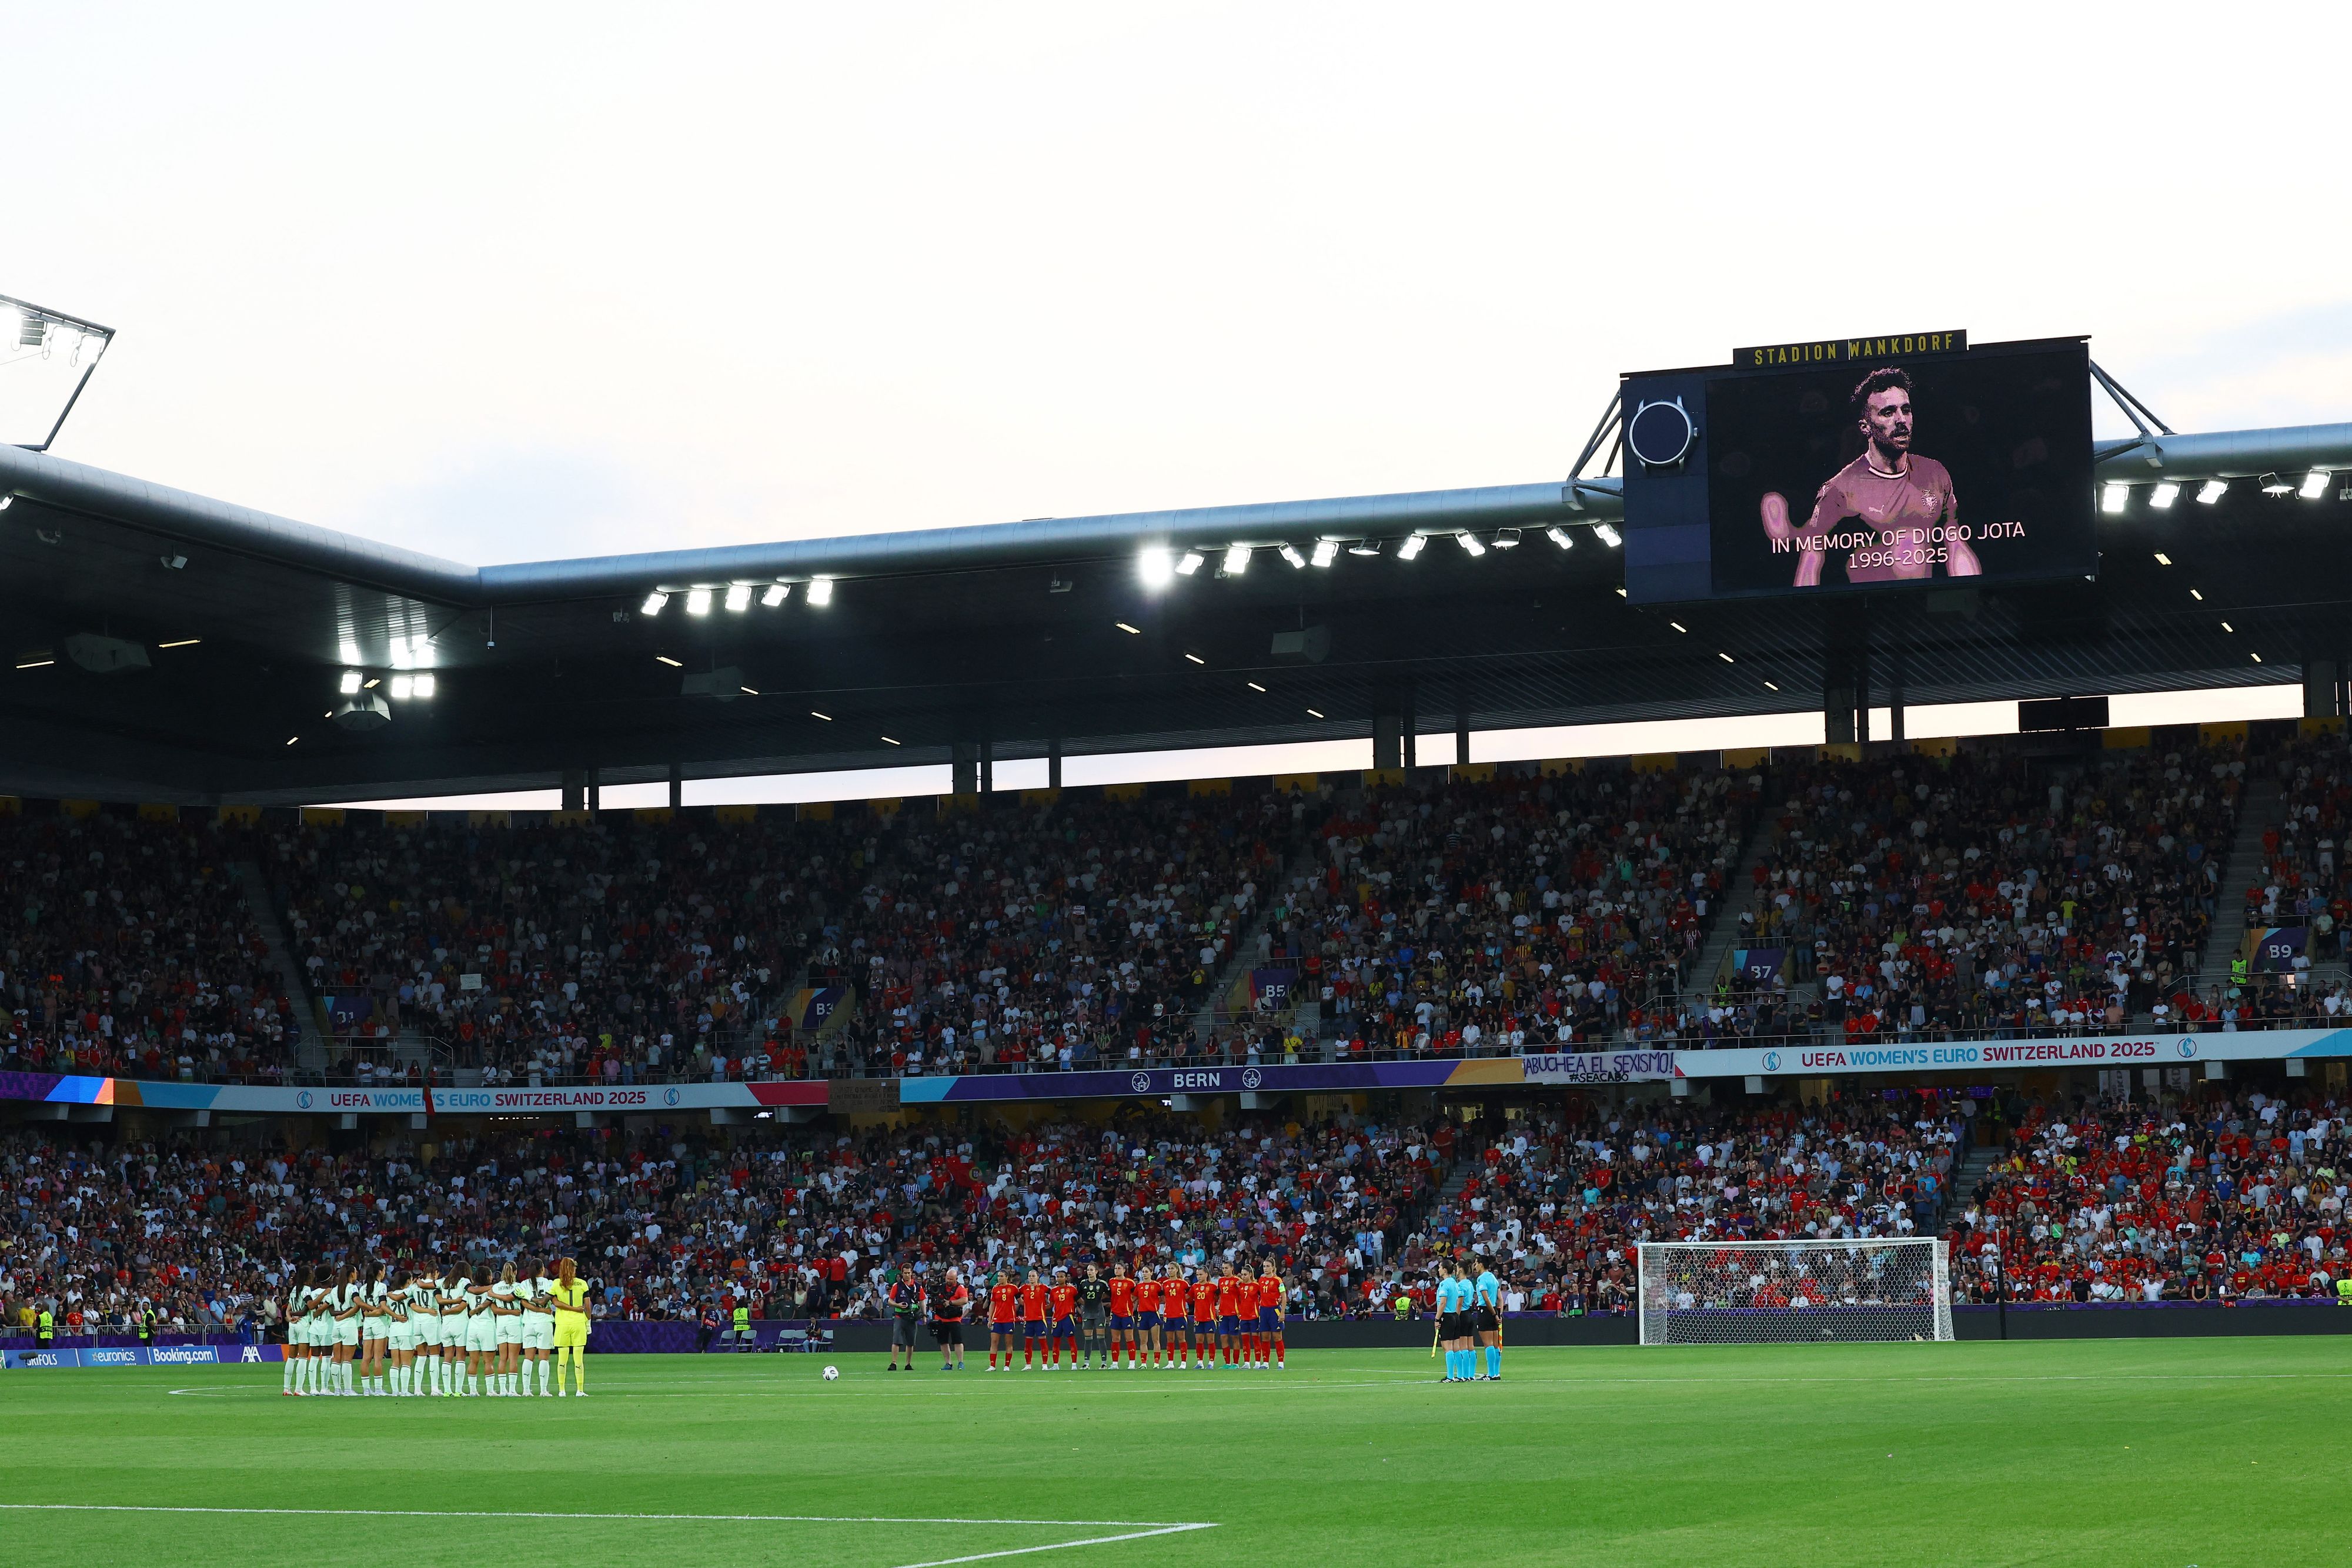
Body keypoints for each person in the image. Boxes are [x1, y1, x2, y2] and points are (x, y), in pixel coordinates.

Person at [1760, 366, 1984, 587]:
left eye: (1905, 410)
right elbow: (1811, 560)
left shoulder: (1935, 473)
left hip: (1924, 609)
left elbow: (1955, 543)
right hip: (1868, 612)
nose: (1901, 420)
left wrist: (1974, 598)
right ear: (1866, 428)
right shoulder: (1839, 490)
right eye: (1888, 412)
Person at [550, 1256, 593, 1397]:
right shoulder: (582, 1284)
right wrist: (588, 1322)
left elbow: (552, 1301)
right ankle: (579, 1390)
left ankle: (562, 1390)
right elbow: (588, 1307)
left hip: (562, 1324)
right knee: (578, 1359)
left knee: (562, 1359)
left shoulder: (556, 1284)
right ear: (572, 1268)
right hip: (578, 1324)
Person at [521, 1260, 556, 1395]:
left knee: (528, 1358)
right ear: (543, 1269)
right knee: (544, 1358)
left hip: (529, 1323)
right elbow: (552, 1301)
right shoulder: (549, 1283)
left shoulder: (524, 1284)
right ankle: (543, 1390)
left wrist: (536, 1310)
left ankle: (526, 1390)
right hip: (544, 1323)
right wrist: (543, 1311)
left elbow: (524, 1303)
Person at [409, 1265, 443, 1399]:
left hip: (417, 1323)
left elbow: (407, 1298)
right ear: (436, 1272)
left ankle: (417, 1389)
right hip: (431, 1321)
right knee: (434, 1357)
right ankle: (434, 1389)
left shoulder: (414, 1287)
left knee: (421, 1357)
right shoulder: (436, 1286)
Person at [493, 1263, 524, 1395]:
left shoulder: (495, 1287)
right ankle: (512, 1390)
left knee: (502, 1358)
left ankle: (502, 1390)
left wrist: (504, 1312)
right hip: (514, 1323)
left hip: (500, 1323)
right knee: (513, 1358)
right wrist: (512, 1312)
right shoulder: (518, 1286)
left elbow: (493, 1308)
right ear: (515, 1272)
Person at [359, 1263, 390, 1396]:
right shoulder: (382, 1287)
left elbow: (364, 1310)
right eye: (384, 1270)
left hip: (367, 1325)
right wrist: (375, 1312)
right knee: (378, 1358)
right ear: (379, 1272)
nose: (384, 1273)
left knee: (366, 1357)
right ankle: (378, 1390)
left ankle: (366, 1390)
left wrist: (369, 1314)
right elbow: (382, 1310)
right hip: (379, 1325)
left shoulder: (363, 1288)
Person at [931, 1268, 970, 1371]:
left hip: (954, 1318)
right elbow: (933, 1298)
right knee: (943, 1342)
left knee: (957, 1341)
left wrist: (951, 1303)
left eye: (951, 1279)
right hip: (941, 1318)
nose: (949, 1281)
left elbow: (965, 1300)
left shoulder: (960, 1288)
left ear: (956, 1279)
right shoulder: (940, 1287)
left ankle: (960, 1362)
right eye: (948, 1279)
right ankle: (948, 1363)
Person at [886, 1272, 925, 1372]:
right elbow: (890, 1301)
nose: (907, 1275)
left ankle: (908, 1364)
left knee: (911, 1342)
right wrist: (898, 1305)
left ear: (911, 1273)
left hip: (912, 1316)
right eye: (905, 1273)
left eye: (909, 1273)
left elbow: (922, 1301)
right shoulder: (897, 1286)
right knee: (896, 1340)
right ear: (902, 1274)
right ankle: (894, 1363)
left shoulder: (917, 1286)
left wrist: (924, 1315)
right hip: (900, 1315)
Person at [1472, 1257, 1503, 1382]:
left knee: (1488, 1344)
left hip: (1485, 1311)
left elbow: (1486, 1299)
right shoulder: (1493, 1278)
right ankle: (1496, 1373)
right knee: (1495, 1344)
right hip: (1494, 1310)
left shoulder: (1482, 1279)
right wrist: (1499, 1314)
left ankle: (1491, 1374)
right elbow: (1500, 1298)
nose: (1475, 1266)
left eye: (1476, 1263)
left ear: (1481, 1264)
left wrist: (1494, 1314)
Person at [1077, 1262, 1111, 1369]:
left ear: (1096, 1271)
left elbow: (1110, 1294)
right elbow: (1077, 1296)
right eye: (1088, 1270)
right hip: (1087, 1312)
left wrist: (1099, 1299)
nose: (1090, 1272)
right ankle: (1086, 1363)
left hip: (1099, 1313)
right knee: (1088, 1339)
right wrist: (1085, 1304)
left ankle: (1104, 1363)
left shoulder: (1102, 1283)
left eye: (1092, 1270)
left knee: (1101, 1338)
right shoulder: (1083, 1283)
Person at [986, 1271, 1020, 1370]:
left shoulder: (1013, 1288)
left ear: (1007, 1277)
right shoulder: (995, 1289)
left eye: (1001, 1276)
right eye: (998, 1276)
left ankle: (1007, 1366)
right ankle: (992, 1365)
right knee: (994, 1342)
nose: (999, 1278)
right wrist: (990, 1319)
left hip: (1009, 1319)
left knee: (1008, 1343)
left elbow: (1020, 1301)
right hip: (997, 1319)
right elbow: (992, 1304)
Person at [1256, 1261, 1287, 1371]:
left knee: (1277, 1337)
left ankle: (1281, 1362)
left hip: (1274, 1310)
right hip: (1264, 1311)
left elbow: (1284, 1297)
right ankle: (1266, 1363)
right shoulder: (1261, 1280)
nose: (1266, 1268)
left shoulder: (1278, 1280)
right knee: (1265, 1337)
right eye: (1264, 1266)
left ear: (1273, 1268)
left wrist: (1282, 1312)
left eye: (1268, 1266)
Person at [1047, 1267, 1079, 1370]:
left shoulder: (1072, 1289)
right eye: (1058, 1277)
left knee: (1072, 1341)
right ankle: (1056, 1365)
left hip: (1068, 1317)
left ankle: (1074, 1364)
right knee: (1056, 1342)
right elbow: (1050, 1305)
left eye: (1062, 1277)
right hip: (1057, 1318)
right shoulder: (1053, 1291)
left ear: (1066, 1278)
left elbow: (1078, 1300)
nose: (1059, 1279)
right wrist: (1038, 1307)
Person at [1106, 1261, 1135, 1369]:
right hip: (1115, 1313)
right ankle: (1115, 1364)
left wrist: (1131, 1304)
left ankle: (1132, 1363)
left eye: (1119, 1268)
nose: (1116, 1270)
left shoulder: (1130, 1283)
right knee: (1115, 1338)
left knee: (1129, 1338)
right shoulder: (1111, 1282)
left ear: (1124, 1270)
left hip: (1127, 1314)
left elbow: (1136, 1295)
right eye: (1115, 1268)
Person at [1018, 1268, 1050, 1369]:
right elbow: (1015, 1294)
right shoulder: (1024, 1288)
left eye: (1033, 1276)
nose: (1031, 1278)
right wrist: (1022, 1302)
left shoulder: (1043, 1287)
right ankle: (1028, 1365)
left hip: (1040, 1319)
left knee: (1043, 1342)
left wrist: (1049, 1306)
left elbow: (1054, 1293)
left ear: (1037, 1277)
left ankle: (1044, 1364)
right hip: (1028, 1320)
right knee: (1028, 1343)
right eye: (1030, 1276)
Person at [1213, 1262, 1243, 1368]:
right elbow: (1220, 1296)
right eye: (1223, 1268)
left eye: (1227, 1268)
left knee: (1234, 1337)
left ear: (1232, 1268)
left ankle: (1236, 1363)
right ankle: (1227, 1363)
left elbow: (1242, 1296)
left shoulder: (1237, 1281)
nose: (1225, 1270)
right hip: (1223, 1313)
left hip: (1234, 1313)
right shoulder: (1221, 1281)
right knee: (1223, 1337)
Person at [1138, 1266, 1167, 1369]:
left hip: (1154, 1314)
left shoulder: (1157, 1285)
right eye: (1143, 1272)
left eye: (1147, 1272)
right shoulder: (1139, 1286)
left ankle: (1156, 1363)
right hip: (1142, 1315)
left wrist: (1154, 1304)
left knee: (1156, 1340)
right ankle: (1143, 1363)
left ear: (1151, 1273)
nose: (1145, 1274)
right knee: (1143, 1341)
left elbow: (1163, 1298)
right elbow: (1135, 1298)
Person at [1188, 1266, 1216, 1369]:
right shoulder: (1194, 1287)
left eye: (1201, 1274)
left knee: (1211, 1341)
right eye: (1197, 1275)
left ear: (1206, 1275)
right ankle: (1200, 1362)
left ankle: (1211, 1362)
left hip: (1210, 1317)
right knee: (1199, 1341)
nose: (1199, 1277)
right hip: (1198, 1318)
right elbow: (1189, 1299)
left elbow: (1219, 1298)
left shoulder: (1213, 1287)